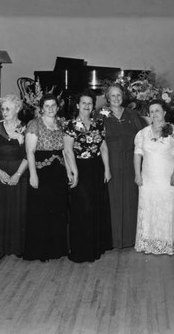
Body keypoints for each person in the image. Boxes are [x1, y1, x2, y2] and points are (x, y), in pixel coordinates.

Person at [64, 90, 113, 263]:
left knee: (94, 207)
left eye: (89, 103)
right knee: (81, 209)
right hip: (79, 168)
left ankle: (94, 249)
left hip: (96, 168)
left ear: (93, 106)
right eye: (83, 103)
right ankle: (80, 251)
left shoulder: (98, 123)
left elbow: (104, 147)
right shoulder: (70, 125)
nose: (86, 106)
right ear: (77, 105)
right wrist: (74, 172)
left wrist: (107, 169)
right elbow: (68, 150)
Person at [23, 93, 71, 262]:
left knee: (57, 211)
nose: (50, 109)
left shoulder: (61, 124)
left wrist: (69, 172)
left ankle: (56, 249)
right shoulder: (34, 124)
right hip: (41, 171)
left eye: (53, 106)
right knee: (41, 212)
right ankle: (40, 251)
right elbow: (29, 151)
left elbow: (64, 151)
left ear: (58, 108)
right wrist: (33, 175)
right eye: (47, 106)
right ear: (41, 108)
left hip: (58, 173)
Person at [134, 99, 174, 255]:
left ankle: (167, 244)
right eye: (152, 111)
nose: (154, 114)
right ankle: (148, 244)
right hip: (148, 180)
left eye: (157, 110)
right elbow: (137, 155)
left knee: (167, 211)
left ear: (164, 112)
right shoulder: (142, 134)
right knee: (149, 210)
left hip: (168, 179)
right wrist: (137, 174)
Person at [0, 95, 29, 260]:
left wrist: (17, 174)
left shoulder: (25, 128)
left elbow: (29, 155)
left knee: (17, 210)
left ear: (17, 109)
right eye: (2, 109)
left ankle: (17, 247)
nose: (4, 112)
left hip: (19, 173)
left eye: (8, 108)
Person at [100, 83, 143, 249]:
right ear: (107, 97)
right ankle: (114, 239)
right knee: (113, 200)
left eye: (119, 95)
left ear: (123, 96)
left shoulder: (132, 114)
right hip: (110, 162)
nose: (116, 98)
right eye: (113, 95)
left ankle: (130, 239)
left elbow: (142, 138)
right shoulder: (101, 115)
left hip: (131, 163)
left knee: (130, 199)